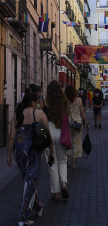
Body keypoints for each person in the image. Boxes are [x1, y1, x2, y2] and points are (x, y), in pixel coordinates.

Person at [7, 92, 55, 226]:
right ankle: (23, 216)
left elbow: (11, 137)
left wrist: (9, 155)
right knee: (30, 181)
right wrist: (51, 151)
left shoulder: (16, 116)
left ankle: (38, 205)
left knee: (28, 180)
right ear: (34, 102)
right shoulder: (40, 114)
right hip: (34, 150)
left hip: (19, 150)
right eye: (38, 100)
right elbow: (47, 134)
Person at [45, 80, 70, 201]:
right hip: (61, 131)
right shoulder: (64, 102)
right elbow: (67, 117)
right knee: (62, 161)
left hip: (48, 131)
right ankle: (63, 184)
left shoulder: (44, 102)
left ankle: (56, 193)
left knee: (52, 162)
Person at [65, 85, 89, 168]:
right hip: (78, 123)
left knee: (69, 141)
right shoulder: (79, 100)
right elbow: (82, 112)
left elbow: (66, 113)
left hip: (69, 123)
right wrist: (87, 122)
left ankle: (69, 159)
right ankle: (74, 162)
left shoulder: (65, 101)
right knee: (76, 142)